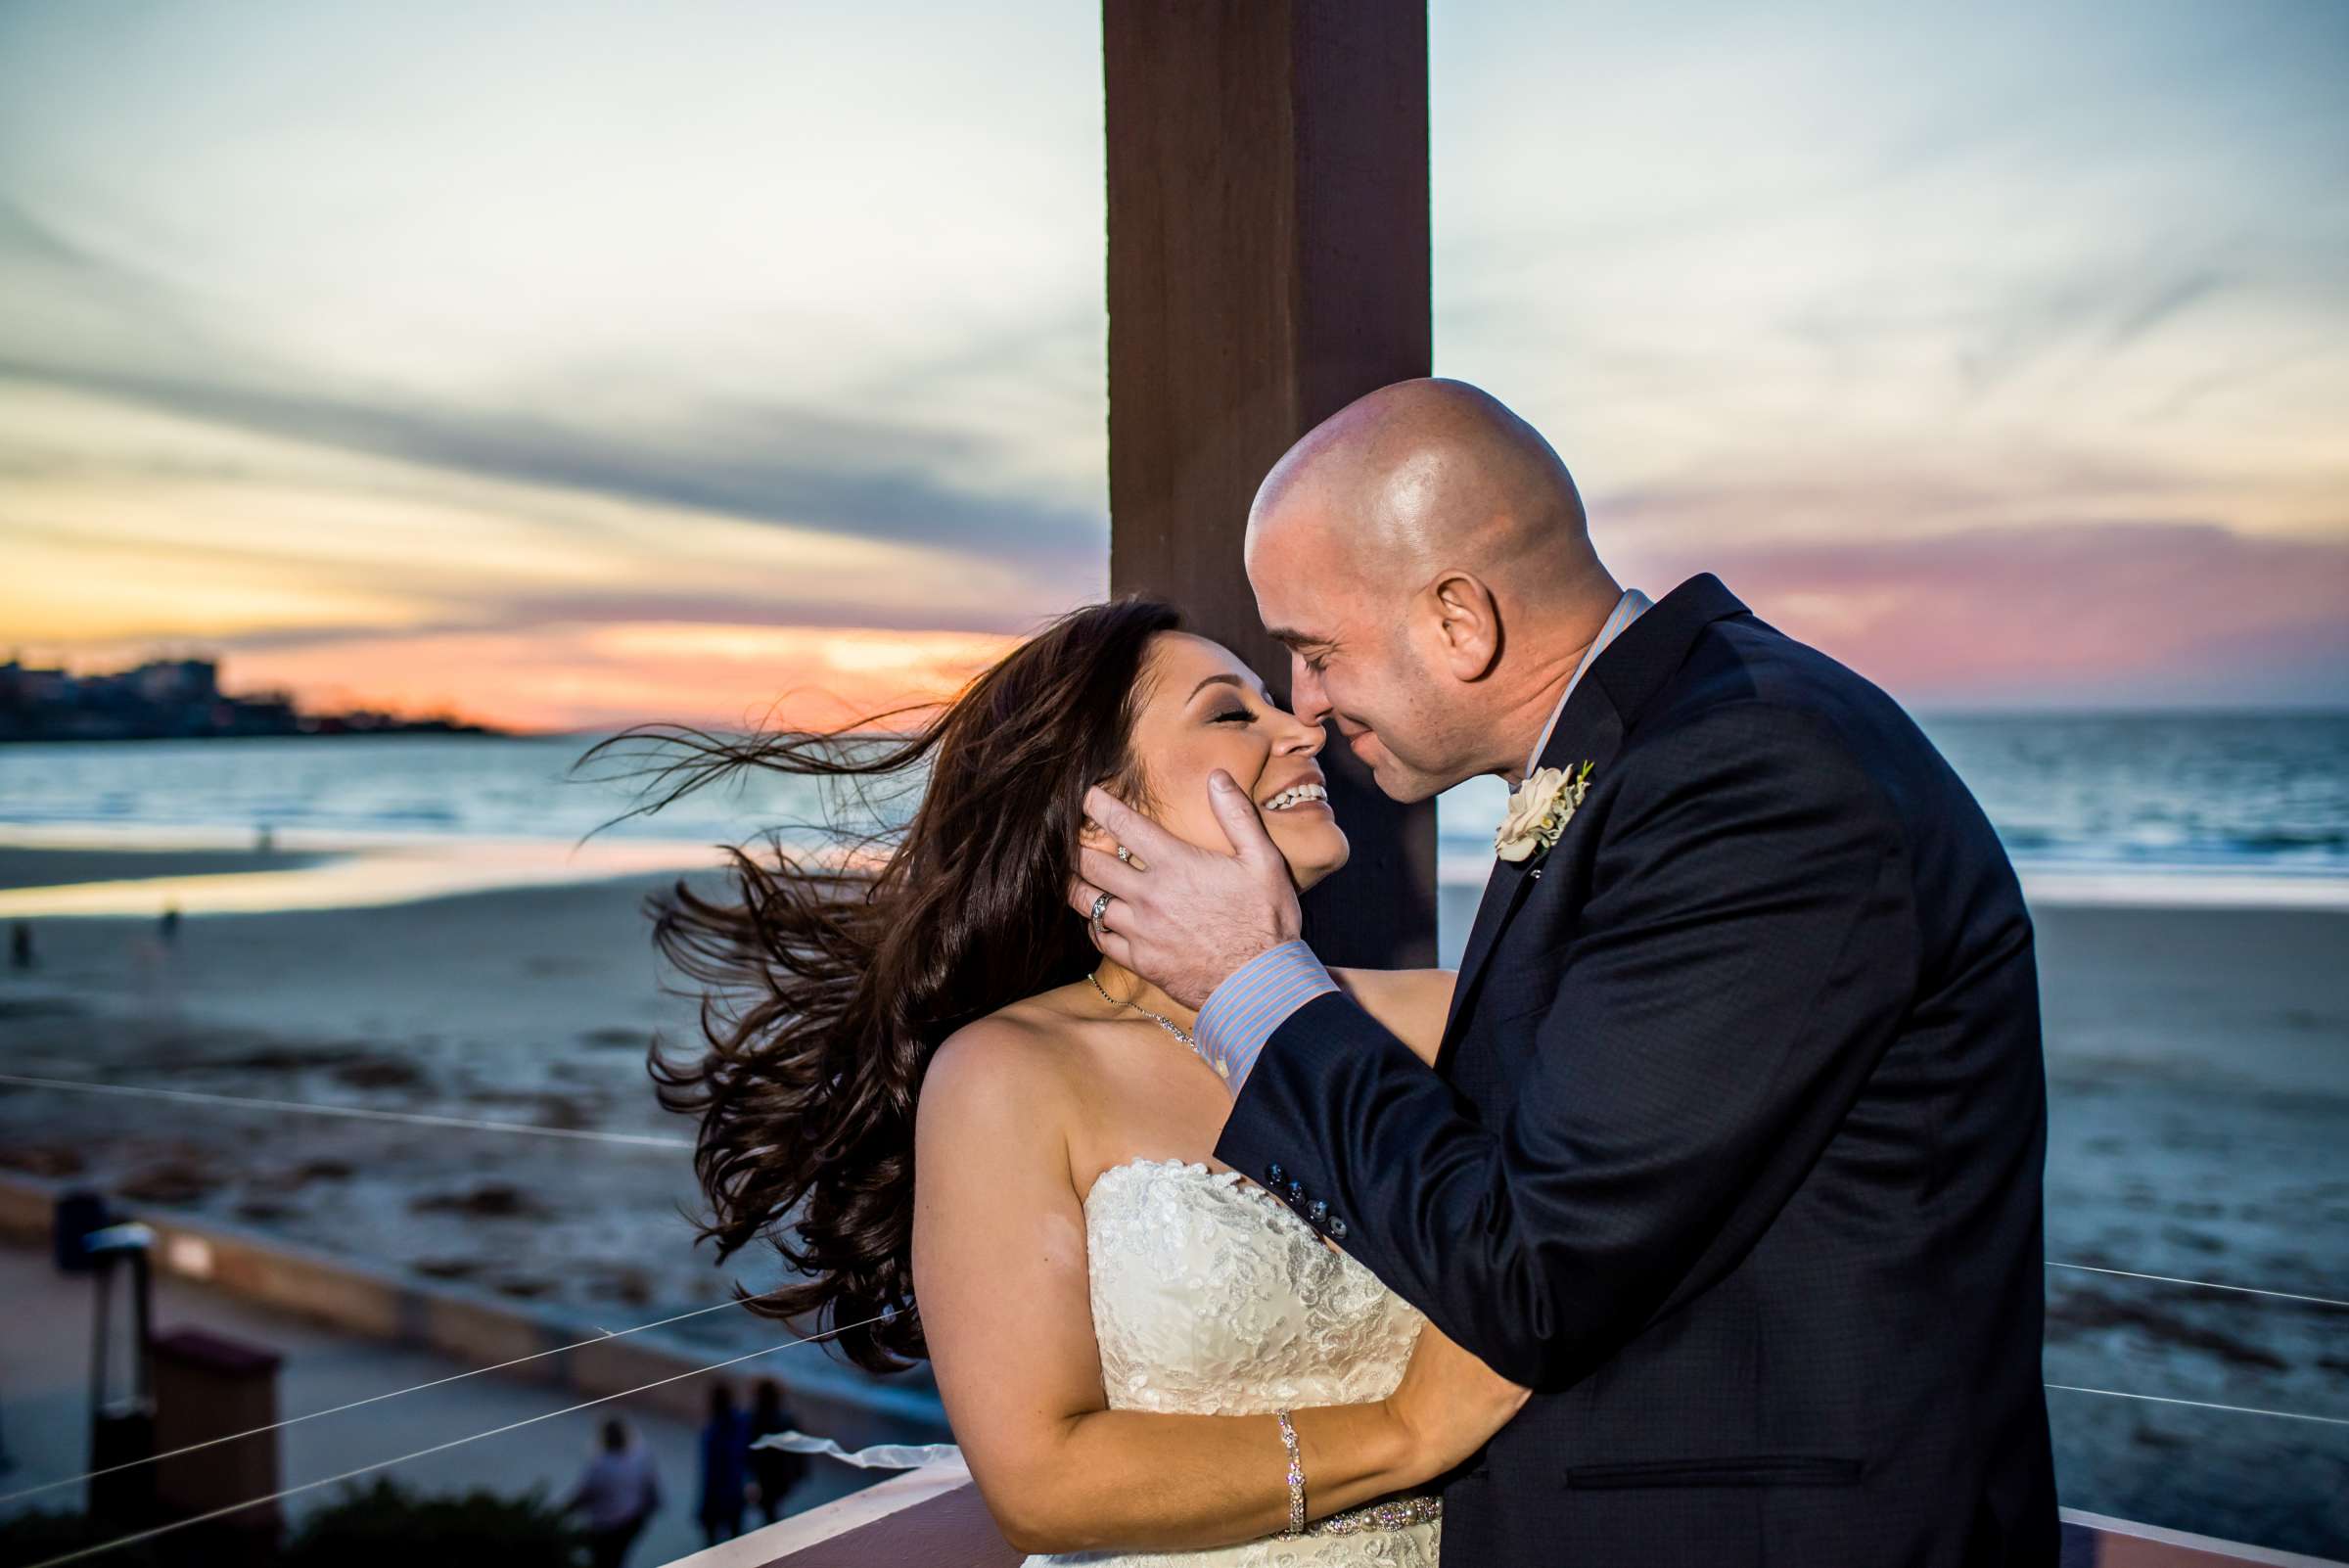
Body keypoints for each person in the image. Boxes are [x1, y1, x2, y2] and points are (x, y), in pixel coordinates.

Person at [1073, 378, 2061, 1567]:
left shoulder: (1749, 779)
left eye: (1317, 650)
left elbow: (1533, 1270)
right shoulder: (1661, 757)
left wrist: (1254, 979)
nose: (1312, 706)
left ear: (1458, 619)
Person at [598, 598, 1526, 1565]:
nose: (1303, 728)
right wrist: (1405, 1432)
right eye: (1230, 713)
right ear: (1098, 813)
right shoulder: (1014, 1076)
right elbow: (1041, 1483)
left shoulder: (1452, 1017)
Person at [563, 1417, 662, 1568]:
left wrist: (559, 1513)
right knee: (617, 1560)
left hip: (606, 1528)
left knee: (601, 1561)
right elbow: (653, 1495)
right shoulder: (640, 1459)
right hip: (632, 1523)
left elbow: (582, 1496)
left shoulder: (600, 1465)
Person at [745, 1378, 807, 1525]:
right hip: (779, 1475)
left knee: (768, 1508)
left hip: (764, 1474)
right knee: (771, 1508)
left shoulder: (753, 1419)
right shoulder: (785, 1419)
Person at [696, 1381, 751, 1546]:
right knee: (736, 1541)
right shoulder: (742, 1422)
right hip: (736, 1493)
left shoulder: (712, 1433)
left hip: (718, 1496)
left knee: (712, 1546)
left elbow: (710, 1473)